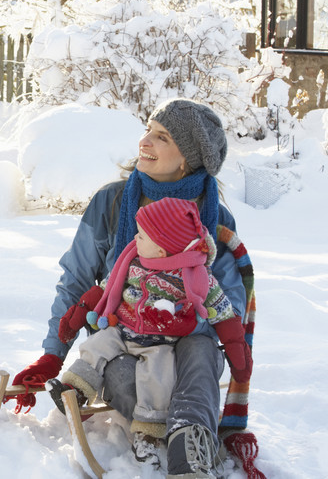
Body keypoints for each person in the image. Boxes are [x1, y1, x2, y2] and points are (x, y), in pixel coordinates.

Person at [10, 98, 248, 478]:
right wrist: (54, 354)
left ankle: (191, 451)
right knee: (123, 375)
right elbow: (75, 280)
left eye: (161, 136)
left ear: (187, 157)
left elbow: (231, 300)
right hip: (124, 338)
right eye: (148, 130)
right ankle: (173, 429)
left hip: (189, 342)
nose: (145, 141)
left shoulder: (215, 216)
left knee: (201, 355)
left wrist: (175, 320)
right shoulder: (112, 202)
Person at [59, 196, 251, 468]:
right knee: (97, 345)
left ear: (162, 249)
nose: (135, 239)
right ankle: (76, 387)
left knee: (156, 380)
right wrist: (80, 311)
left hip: (161, 345)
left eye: (142, 236)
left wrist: (236, 350)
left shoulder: (197, 278)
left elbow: (224, 313)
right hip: (123, 330)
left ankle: (147, 434)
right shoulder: (132, 264)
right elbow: (105, 286)